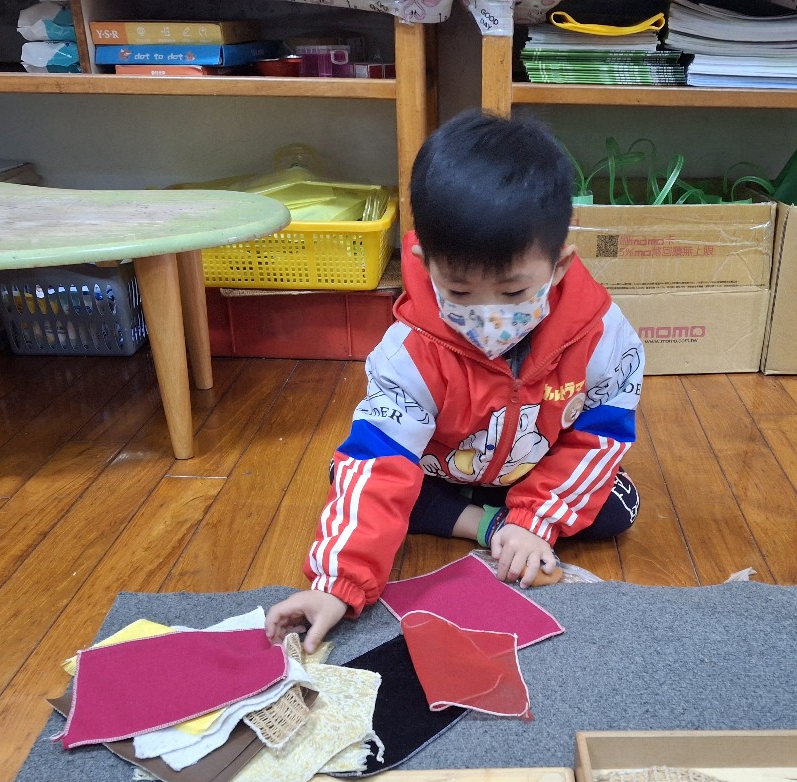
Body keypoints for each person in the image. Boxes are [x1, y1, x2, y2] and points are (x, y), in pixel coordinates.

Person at [267, 109, 645, 651]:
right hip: (439, 470)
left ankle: (507, 521)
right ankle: (487, 526)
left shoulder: (604, 336)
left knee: (617, 505)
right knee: (355, 476)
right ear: (425, 262)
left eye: (513, 292)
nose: (489, 315)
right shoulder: (408, 351)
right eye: (460, 292)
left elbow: (599, 436)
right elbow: (382, 458)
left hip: (530, 474)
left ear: (559, 266)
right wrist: (336, 585)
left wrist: (535, 519)